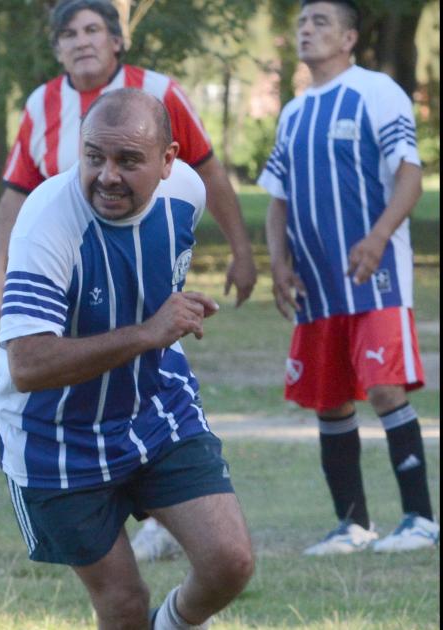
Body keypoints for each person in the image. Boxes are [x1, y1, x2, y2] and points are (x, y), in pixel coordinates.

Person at [0, 0, 258, 562]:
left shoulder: (166, 109)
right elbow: (16, 191)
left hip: (149, 398)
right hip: (57, 422)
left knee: (231, 561)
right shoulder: (43, 111)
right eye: (69, 34)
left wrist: (241, 251)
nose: (109, 173)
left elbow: (207, 172)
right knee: (123, 605)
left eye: (92, 30)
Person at [259, 0, 437, 555]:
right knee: (330, 399)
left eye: (321, 23)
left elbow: (411, 174)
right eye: (302, 23)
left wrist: (379, 237)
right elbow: (278, 198)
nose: (307, 30)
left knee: (384, 389)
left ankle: (421, 520)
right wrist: (279, 263)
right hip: (317, 284)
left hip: (374, 276)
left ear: (349, 38)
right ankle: (354, 525)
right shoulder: (293, 111)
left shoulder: (376, 91)